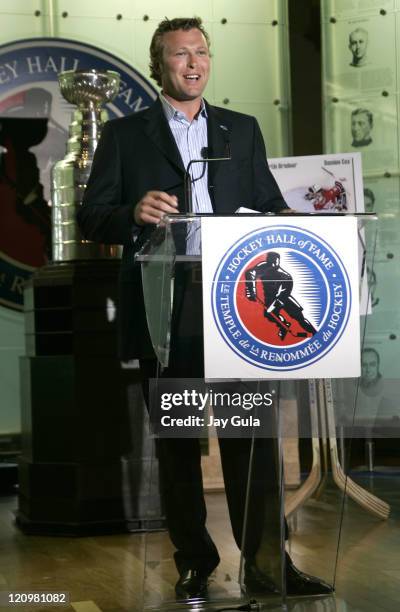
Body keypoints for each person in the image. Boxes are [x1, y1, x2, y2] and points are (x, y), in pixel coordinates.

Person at [78, 17, 332, 600]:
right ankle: (194, 560)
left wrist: (302, 230)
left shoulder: (241, 130)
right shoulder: (126, 136)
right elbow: (93, 216)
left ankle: (270, 563)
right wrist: (132, 212)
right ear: (158, 65)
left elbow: (268, 205)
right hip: (167, 306)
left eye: (201, 52)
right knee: (179, 445)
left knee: (252, 444)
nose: (193, 64)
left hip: (237, 307)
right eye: (179, 55)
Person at [245, 251, 316, 340]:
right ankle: (284, 325)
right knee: (268, 315)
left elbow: (282, 296)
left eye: (275, 262)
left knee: (299, 318)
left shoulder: (286, 276)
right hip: (269, 298)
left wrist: (272, 308)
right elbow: (250, 273)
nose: (273, 265)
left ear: (278, 261)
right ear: (267, 260)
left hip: (284, 298)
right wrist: (251, 290)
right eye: (270, 262)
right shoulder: (263, 267)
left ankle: (315, 333)